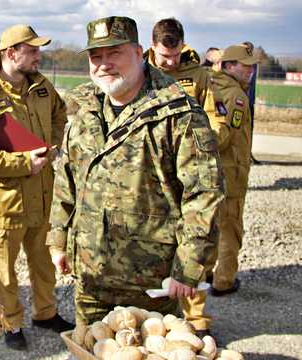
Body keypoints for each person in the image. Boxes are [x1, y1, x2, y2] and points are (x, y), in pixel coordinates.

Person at [47, 16, 224, 333]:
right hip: (89, 277)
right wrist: (59, 241)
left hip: (149, 284)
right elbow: (67, 180)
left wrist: (189, 266)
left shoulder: (179, 113)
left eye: (114, 53)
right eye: (95, 56)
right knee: (91, 348)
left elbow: (204, 195)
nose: (104, 65)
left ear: (140, 52)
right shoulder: (86, 109)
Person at [0, 24, 72, 351]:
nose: (39, 56)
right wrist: (24, 164)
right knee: (5, 272)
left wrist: (50, 143)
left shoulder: (41, 87)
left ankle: (46, 313)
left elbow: (59, 114)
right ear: (12, 53)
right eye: (33, 50)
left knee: (43, 263)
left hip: (41, 195)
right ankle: (11, 324)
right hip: (5, 201)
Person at [145, 17, 217, 335]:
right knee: (151, 245)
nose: (171, 63)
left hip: (189, 174)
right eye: (164, 58)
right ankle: (154, 314)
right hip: (150, 177)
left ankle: (196, 319)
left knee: (193, 244)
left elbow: (216, 121)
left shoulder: (199, 76)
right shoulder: (139, 73)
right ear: (152, 47)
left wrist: (200, 151)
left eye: (175, 56)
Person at [205, 44, 256, 297]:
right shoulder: (236, 96)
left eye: (251, 65)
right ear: (228, 66)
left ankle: (204, 272)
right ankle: (224, 280)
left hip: (212, 173)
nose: (251, 70)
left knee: (211, 224)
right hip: (231, 172)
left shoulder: (210, 84)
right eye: (245, 66)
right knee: (230, 227)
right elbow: (225, 136)